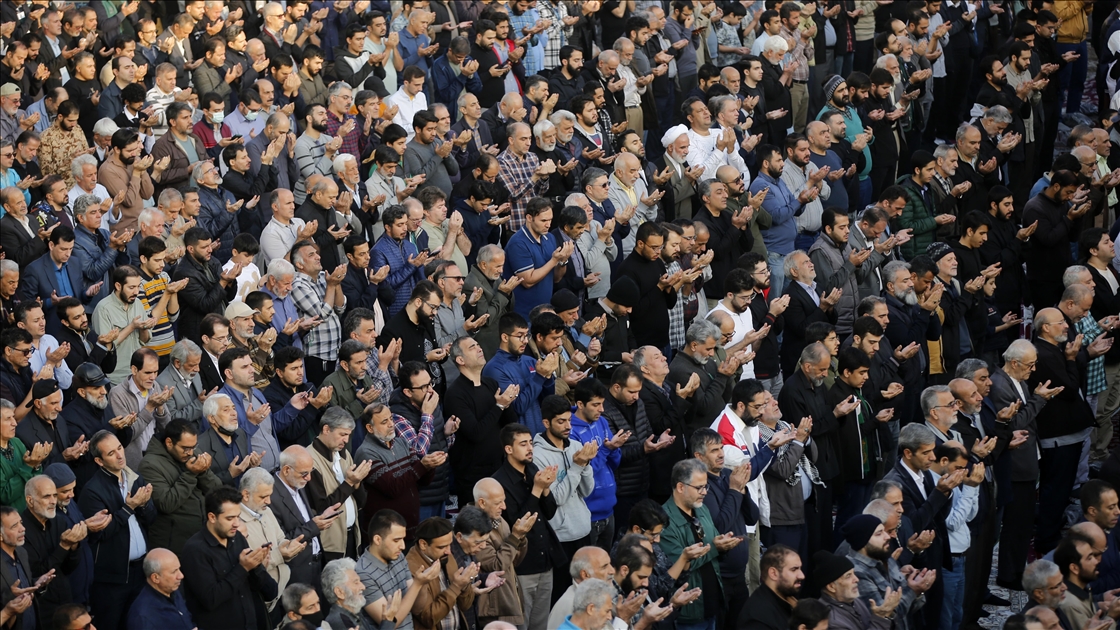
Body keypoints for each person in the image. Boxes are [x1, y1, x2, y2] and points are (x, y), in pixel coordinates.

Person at [77, 430, 158, 630]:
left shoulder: (134, 478)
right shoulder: (92, 491)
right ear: (99, 461)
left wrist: (144, 505)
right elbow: (100, 533)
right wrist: (129, 507)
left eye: (120, 448)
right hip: (111, 579)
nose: (120, 455)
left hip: (141, 570)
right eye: (111, 453)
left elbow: (151, 518)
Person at [492, 424, 566, 630]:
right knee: (522, 623)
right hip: (522, 564)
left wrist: (545, 490)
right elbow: (519, 523)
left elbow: (549, 512)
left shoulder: (533, 470)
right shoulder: (499, 482)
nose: (530, 448)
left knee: (541, 623)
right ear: (508, 449)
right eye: (523, 444)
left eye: (531, 443)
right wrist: (537, 489)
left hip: (545, 558)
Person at [179, 486, 278, 630]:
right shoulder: (195, 550)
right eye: (230, 518)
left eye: (238, 516)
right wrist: (243, 568)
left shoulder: (237, 538)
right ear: (212, 517)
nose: (236, 524)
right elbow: (210, 599)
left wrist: (256, 565)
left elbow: (268, 591)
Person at [137, 419, 224, 555]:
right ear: (169, 443)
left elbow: (216, 490)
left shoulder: (192, 452)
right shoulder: (149, 465)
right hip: (173, 544)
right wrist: (191, 474)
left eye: (194, 447)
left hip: (201, 536)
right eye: (185, 448)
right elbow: (166, 503)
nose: (190, 453)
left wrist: (203, 471)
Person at [841, 513, 931, 630]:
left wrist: (916, 588)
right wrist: (913, 590)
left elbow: (909, 608)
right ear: (862, 541)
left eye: (884, 531)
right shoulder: (856, 574)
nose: (887, 536)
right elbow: (887, 617)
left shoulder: (886, 557)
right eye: (879, 534)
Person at [307, 408, 370, 563]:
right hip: (330, 546)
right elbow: (322, 508)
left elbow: (361, 502)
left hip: (353, 537)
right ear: (326, 429)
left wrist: (357, 483)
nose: (346, 440)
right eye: (342, 434)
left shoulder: (344, 454)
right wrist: (349, 483)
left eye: (348, 435)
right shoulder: (310, 461)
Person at [815, 549, 898, 630]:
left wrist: (888, 614)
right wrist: (881, 617)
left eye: (853, 573)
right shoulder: (831, 620)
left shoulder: (854, 601)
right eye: (848, 576)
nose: (856, 579)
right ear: (831, 587)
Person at [126, 547, 194, 630]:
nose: (181, 575)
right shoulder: (143, 617)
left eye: (179, 569)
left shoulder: (172, 591)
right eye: (174, 572)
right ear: (155, 578)